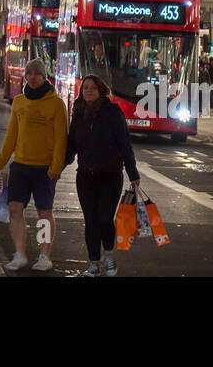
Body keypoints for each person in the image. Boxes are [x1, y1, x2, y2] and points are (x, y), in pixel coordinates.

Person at [0, 59, 67, 272]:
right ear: (25, 76)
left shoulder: (56, 104)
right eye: (30, 73)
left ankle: (45, 256)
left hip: (44, 169)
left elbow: (61, 139)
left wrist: (56, 167)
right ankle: (20, 254)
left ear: (44, 77)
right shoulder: (19, 102)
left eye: (37, 74)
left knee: (44, 213)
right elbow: (11, 137)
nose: (33, 77)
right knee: (14, 209)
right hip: (20, 167)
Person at [66, 74, 140, 277]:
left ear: (101, 91)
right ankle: (93, 263)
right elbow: (71, 145)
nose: (88, 90)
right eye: (85, 88)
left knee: (104, 218)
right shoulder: (78, 114)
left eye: (93, 88)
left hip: (110, 175)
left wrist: (133, 172)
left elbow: (124, 144)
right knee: (90, 220)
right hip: (85, 176)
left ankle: (108, 254)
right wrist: (57, 168)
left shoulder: (112, 112)